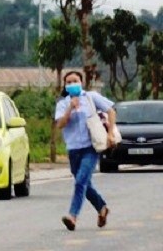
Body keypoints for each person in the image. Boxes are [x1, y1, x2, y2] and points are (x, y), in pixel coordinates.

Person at [55, 70, 116, 231]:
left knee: (80, 181)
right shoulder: (62, 103)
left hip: (91, 147)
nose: (71, 84)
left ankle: (72, 216)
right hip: (73, 149)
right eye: (68, 82)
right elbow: (60, 124)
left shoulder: (91, 97)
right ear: (65, 86)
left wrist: (110, 133)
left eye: (75, 81)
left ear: (81, 82)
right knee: (84, 183)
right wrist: (70, 108)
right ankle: (102, 207)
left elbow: (111, 110)